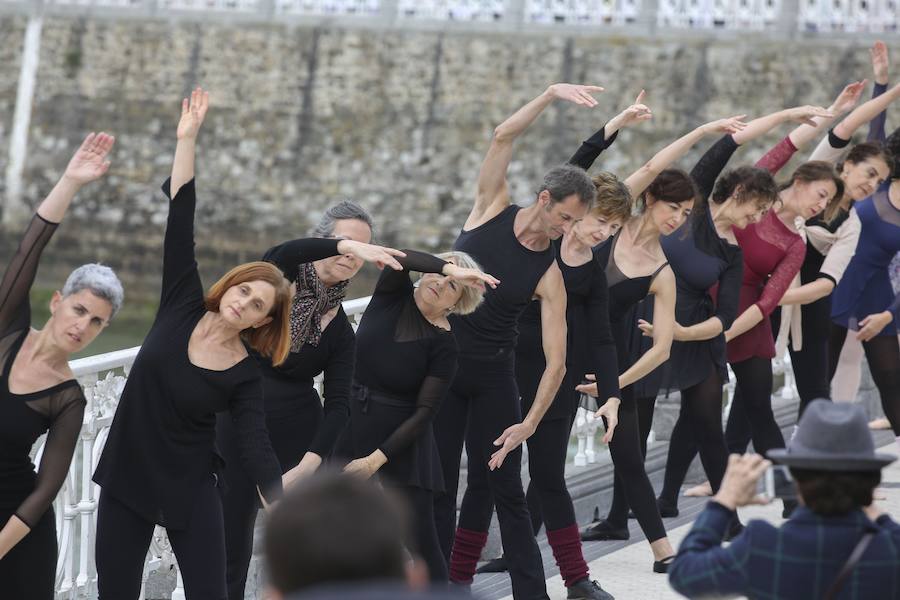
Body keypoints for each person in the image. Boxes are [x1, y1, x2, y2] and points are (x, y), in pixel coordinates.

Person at [92, 88, 402, 598]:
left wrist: (283, 500)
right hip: (130, 473)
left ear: (264, 320)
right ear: (229, 285)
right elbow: (182, 216)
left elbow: (256, 443)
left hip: (193, 483)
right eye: (243, 292)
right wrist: (187, 139)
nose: (245, 304)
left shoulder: (243, 370)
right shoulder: (181, 304)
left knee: (215, 587)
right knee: (117, 590)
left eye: (258, 305)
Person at [474, 94, 650, 600]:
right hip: (504, 367)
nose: (601, 233)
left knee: (549, 476)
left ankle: (576, 579)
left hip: (556, 377)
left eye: (612, 229)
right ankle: (460, 573)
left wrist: (611, 394)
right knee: (489, 474)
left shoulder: (590, 271)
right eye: (598, 222)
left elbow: (602, 337)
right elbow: (576, 167)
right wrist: (614, 124)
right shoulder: (546, 234)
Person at [433, 83, 598, 600]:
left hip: (494, 379)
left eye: (576, 223)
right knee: (438, 483)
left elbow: (557, 362)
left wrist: (528, 422)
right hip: (441, 367)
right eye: (565, 218)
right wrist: (549, 94)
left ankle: (533, 593)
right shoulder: (490, 209)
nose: (568, 230)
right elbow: (503, 135)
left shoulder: (549, 274)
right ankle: (444, 587)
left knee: (506, 488)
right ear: (545, 199)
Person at [218, 201, 395, 600]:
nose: (351, 256)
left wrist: (308, 465)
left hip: (296, 438)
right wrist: (349, 246)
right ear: (320, 242)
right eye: (345, 244)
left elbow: (338, 404)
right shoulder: (275, 281)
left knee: (315, 548)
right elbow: (284, 251)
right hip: (235, 427)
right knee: (230, 548)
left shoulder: (339, 328)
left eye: (361, 250)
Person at [0, 133, 123, 599]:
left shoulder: (68, 398)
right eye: (79, 309)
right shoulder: (7, 332)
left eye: (96, 322)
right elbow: (28, 250)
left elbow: (44, 492)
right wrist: (71, 180)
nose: (82, 325)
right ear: (56, 302)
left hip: (15, 534)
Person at [342, 247, 495, 582]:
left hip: (402, 441)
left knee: (421, 542)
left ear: (457, 303)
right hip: (351, 422)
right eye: (438, 274)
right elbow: (402, 257)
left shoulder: (445, 345)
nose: (440, 283)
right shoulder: (391, 294)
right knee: (330, 526)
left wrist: (374, 460)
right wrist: (451, 269)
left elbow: (425, 413)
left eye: (452, 286)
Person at [668, 400, 900, 600]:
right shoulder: (890, 548)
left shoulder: (762, 546)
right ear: (870, 480)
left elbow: (684, 572)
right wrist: (864, 496)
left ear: (795, 477)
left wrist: (725, 499)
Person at [828, 137, 900, 449]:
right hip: (834, 286)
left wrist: (889, 315)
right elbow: (877, 132)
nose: (874, 181)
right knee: (820, 375)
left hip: (877, 296)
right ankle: (813, 450)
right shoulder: (878, 182)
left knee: (891, 379)